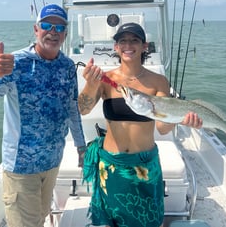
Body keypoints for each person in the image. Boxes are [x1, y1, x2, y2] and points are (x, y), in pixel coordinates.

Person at [0, 4, 86, 227]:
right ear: (36, 29)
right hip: (21, 168)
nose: (53, 31)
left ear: (66, 34)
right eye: (47, 25)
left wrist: (81, 146)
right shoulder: (15, 63)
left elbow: (72, 109)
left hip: (52, 163)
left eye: (59, 27)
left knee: (40, 219)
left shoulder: (68, 66)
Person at [78, 22, 203, 227]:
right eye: (122, 41)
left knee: (146, 219)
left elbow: (162, 127)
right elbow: (83, 109)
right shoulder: (106, 79)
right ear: (116, 47)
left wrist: (181, 119)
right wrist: (91, 85)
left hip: (144, 166)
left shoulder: (158, 81)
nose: (128, 45)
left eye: (134, 40)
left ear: (144, 46)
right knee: (108, 220)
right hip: (111, 165)